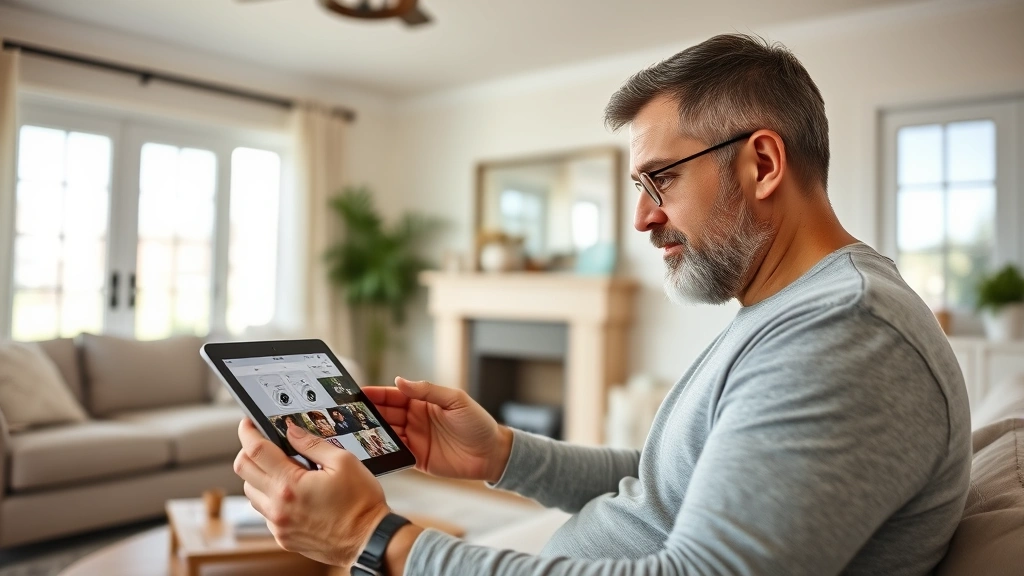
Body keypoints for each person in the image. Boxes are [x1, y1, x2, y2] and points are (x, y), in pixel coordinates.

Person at [233, 33, 970, 576]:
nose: (644, 219)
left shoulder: (846, 333)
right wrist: (504, 455)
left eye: (662, 181)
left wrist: (376, 537)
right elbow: (668, 481)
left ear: (763, 163)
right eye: (638, 190)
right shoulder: (790, 311)